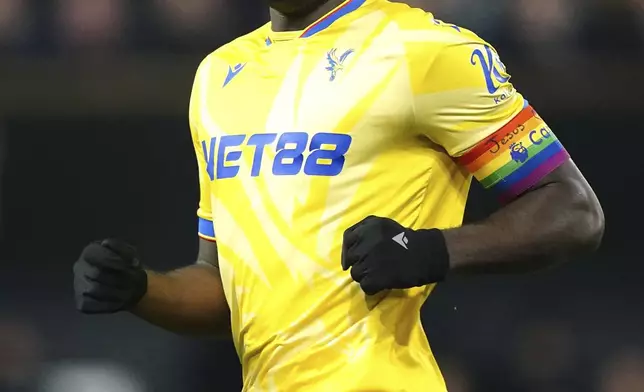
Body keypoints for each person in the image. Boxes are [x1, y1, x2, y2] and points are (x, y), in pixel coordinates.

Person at [73, 0, 605, 390]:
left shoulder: (424, 50)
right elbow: (223, 290)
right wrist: (140, 290)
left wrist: (430, 250)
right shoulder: (217, 76)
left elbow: (572, 209)